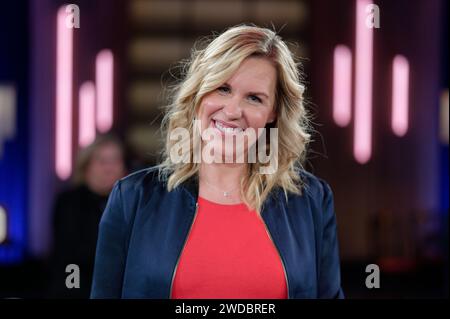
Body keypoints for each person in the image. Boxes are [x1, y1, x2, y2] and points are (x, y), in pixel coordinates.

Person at [91, 25, 344, 299]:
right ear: (199, 92)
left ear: (273, 113)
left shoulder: (311, 201)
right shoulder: (132, 198)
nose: (233, 111)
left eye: (254, 98)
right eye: (222, 88)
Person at [48, 134, 127, 298]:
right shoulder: (69, 203)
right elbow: (70, 259)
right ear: (86, 166)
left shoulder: (130, 205)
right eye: (102, 161)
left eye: (115, 161)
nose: (109, 168)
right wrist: (73, 292)